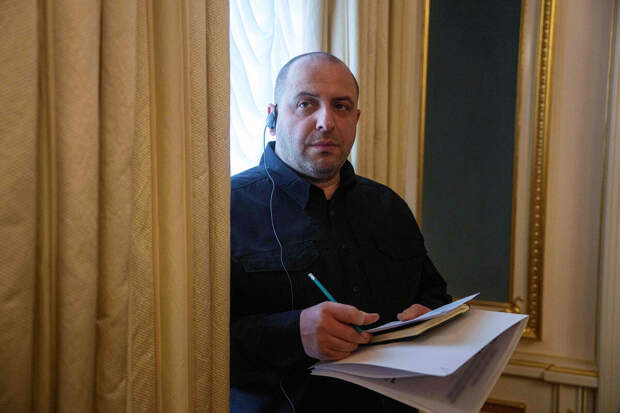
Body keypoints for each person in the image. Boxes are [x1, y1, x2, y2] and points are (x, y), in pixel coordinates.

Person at [230, 52, 451, 413]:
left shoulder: (388, 205)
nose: (326, 122)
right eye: (306, 104)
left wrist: (430, 317)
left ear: (356, 119)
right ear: (273, 115)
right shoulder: (225, 209)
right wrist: (293, 333)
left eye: (341, 106)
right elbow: (193, 343)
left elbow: (435, 293)